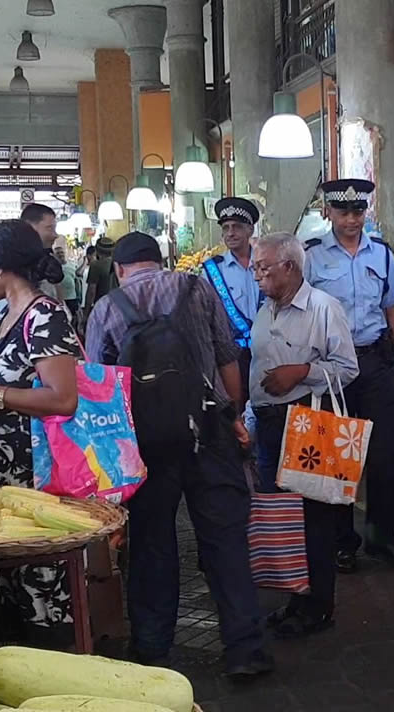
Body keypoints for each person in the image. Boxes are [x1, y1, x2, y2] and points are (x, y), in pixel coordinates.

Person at [84, 233, 273, 679]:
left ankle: (152, 648)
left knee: (151, 542)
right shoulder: (196, 287)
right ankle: (245, 649)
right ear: (161, 260)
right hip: (208, 432)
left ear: (120, 269)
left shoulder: (107, 309)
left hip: (145, 446)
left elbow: (98, 389)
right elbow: (228, 357)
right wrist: (234, 415)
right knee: (225, 541)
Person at [0, 219, 81, 636]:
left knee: (38, 574)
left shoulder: (45, 316)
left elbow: (63, 398)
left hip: (35, 472)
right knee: (11, 571)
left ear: (1, 268)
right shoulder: (7, 316)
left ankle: (53, 660)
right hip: (4, 472)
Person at [248, 233, 358, 638]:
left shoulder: (323, 308)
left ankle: (320, 605)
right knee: (286, 518)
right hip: (270, 423)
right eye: (256, 267)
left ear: (290, 268)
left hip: (309, 423)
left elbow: (347, 368)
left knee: (316, 518)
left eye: (264, 267)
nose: (256, 274)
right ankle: (296, 595)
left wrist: (300, 372)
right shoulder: (265, 310)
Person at [304, 178, 394, 572]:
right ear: (329, 212)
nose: (351, 219)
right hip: (332, 367)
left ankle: (382, 539)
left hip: (374, 363)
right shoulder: (312, 257)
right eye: (343, 211)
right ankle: (342, 542)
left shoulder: (381, 255)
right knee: (336, 457)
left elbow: (391, 312)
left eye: (358, 211)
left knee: (385, 454)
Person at [205, 197, 263, 384]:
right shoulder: (212, 270)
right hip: (232, 356)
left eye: (237, 227)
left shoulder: (267, 261)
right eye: (226, 228)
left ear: (250, 230)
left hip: (270, 351)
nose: (230, 233)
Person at [20, 203, 64, 299]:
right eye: (49, 228)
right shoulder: (13, 269)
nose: (55, 235)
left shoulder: (48, 261)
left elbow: (60, 302)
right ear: (29, 228)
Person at [82, 236, 118, 322]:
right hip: (118, 306)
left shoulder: (96, 266)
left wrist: (86, 315)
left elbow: (91, 291)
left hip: (102, 307)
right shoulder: (119, 263)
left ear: (97, 251)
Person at [53, 244, 80, 321]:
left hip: (72, 298)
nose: (60, 254)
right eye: (58, 253)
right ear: (55, 255)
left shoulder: (72, 265)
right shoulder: (53, 268)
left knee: (74, 320)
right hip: (60, 300)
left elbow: (76, 281)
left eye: (61, 252)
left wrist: (78, 297)